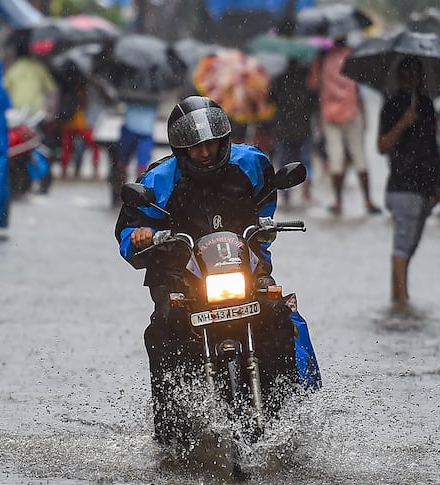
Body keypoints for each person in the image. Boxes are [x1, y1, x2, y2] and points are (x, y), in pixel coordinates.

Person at [114, 96, 308, 441]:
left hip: (239, 265)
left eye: (211, 144)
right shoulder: (158, 179)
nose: (204, 153)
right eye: (195, 148)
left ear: (224, 139)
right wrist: (142, 236)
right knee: (163, 331)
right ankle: (171, 436)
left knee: (277, 316)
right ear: (180, 149)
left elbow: (266, 200)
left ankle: (288, 415)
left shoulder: (252, 162)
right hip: (179, 275)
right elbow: (127, 232)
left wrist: (264, 231)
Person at [377, 56, 440, 305]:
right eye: (406, 73)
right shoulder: (391, 107)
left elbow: (432, 145)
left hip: (425, 187)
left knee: (411, 245)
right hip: (402, 186)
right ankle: (402, 302)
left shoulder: (427, 105)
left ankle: (397, 294)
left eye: (415, 73)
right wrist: (404, 121)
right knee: (402, 245)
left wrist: (439, 181)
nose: (410, 78)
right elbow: (382, 146)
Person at [309, 36, 381, 215]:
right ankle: (367, 200)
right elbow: (358, 85)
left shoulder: (323, 57)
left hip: (330, 113)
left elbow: (313, 84)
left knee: (336, 158)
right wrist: (364, 113)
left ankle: (338, 202)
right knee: (359, 155)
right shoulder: (352, 55)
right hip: (351, 111)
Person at [270, 57, 318, 204]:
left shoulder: (278, 80)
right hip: (303, 129)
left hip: (283, 129)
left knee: (284, 163)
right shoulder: (307, 81)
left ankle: (286, 195)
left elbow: (271, 100)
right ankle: (306, 192)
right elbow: (314, 104)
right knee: (306, 162)